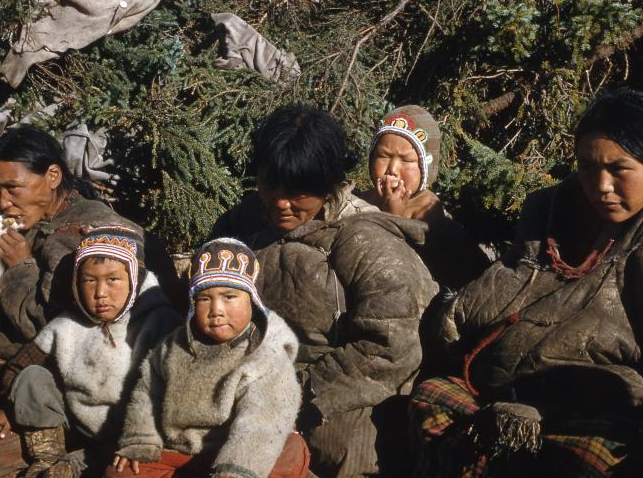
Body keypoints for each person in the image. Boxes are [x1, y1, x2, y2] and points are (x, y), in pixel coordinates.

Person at [410, 89, 643, 477]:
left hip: (599, 404)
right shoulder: (555, 214)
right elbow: (513, 279)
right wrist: (451, 323)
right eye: (587, 167)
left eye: (619, 169)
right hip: (506, 387)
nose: (601, 186)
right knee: (433, 397)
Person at [0, 126, 178, 463]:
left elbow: (61, 332)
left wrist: (21, 267)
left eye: (12, 188)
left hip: (80, 390)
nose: (2, 202)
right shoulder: (31, 222)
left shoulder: (81, 237)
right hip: (22, 367)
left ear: (52, 176)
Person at [213, 104, 438, 477]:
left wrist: (297, 396)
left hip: (337, 393)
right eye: (270, 184)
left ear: (327, 182)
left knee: (346, 445)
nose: (280, 202)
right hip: (250, 378)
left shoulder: (365, 239)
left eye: (298, 191)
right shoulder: (245, 222)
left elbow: (391, 347)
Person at [0, 227, 180, 478]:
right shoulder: (67, 325)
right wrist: (7, 407)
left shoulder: (160, 323)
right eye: (89, 281)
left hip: (133, 431)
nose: (100, 293)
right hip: (74, 422)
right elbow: (21, 365)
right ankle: (47, 455)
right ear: (77, 284)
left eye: (113, 280)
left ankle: (79, 463)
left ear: (134, 281)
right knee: (33, 377)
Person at [108, 238, 307, 478]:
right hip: (180, 450)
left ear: (253, 302)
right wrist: (141, 440)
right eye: (204, 299)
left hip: (243, 451)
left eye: (229, 297)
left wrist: (234, 471)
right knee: (120, 471)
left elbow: (260, 424)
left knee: (289, 452)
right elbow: (147, 394)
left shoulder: (267, 355)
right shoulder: (172, 347)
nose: (216, 310)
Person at [359, 104, 490, 290]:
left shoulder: (431, 216)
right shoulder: (358, 201)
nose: (392, 170)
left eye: (406, 160)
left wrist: (392, 218)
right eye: (384, 156)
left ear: (426, 167)